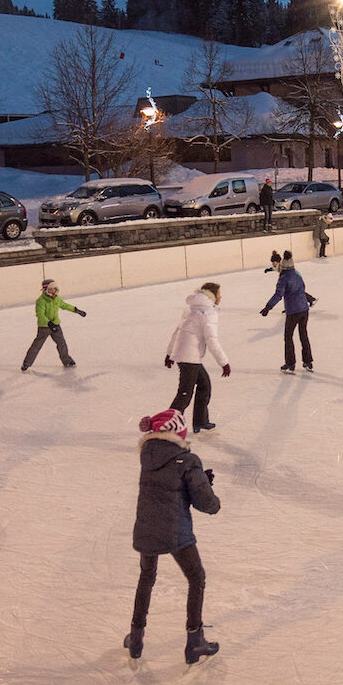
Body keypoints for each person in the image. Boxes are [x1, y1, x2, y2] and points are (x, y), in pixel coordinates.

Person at [124, 408, 222, 664]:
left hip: (147, 527)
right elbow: (206, 503)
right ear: (178, 432)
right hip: (176, 530)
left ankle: (136, 638)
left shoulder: (147, 456)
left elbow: (168, 488)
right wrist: (208, 489)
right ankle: (194, 640)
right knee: (196, 578)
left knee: (146, 577)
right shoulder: (187, 461)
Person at [165, 282, 230, 432]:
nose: (221, 297)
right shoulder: (208, 313)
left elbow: (177, 332)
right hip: (190, 357)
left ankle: (200, 421)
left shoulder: (191, 310)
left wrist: (170, 353)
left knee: (204, 385)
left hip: (186, 355)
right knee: (184, 394)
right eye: (219, 294)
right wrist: (224, 362)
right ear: (212, 295)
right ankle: (166, 427)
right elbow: (211, 340)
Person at [260, 254, 316, 373]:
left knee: (288, 337)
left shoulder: (284, 278)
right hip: (304, 310)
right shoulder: (297, 275)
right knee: (303, 335)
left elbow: (278, 295)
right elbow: (303, 289)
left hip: (293, 311)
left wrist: (268, 307)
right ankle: (308, 361)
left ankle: (290, 363)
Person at [21, 280, 84, 370]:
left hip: (56, 325)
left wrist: (76, 310)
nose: (53, 290)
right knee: (37, 345)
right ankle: (26, 363)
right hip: (44, 327)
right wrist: (49, 323)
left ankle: (67, 361)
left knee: (62, 343)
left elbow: (64, 305)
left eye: (54, 288)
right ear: (45, 289)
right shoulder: (41, 301)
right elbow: (40, 314)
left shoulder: (56, 298)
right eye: (51, 289)